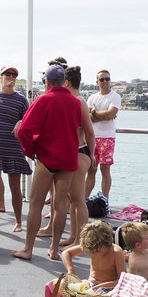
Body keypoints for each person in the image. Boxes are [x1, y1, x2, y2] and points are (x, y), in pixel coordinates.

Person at [13, 64, 85, 262]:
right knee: (60, 204)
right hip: (68, 158)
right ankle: (54, 249)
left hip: (46, 158)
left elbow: (24, 130)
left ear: (47, 81)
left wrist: (31, 150)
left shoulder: (43, 100)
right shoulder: (76, 102)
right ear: (64, 81)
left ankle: (28, 249)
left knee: (36, 204)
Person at [0, 66, 30, 231]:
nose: (11, 76)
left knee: (15, 187)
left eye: (14, 74)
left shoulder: (21, 100)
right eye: (7, 74)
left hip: (13, 148)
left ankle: (18, 222)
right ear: (0, 77)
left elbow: (30, 121)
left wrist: (21, 121)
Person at [61, 65, 95, 246]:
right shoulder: (71, 100)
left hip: (79, 151)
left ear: (66, 82)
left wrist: (92, 154)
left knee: (77, 199)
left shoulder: (79, 101)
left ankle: (81, 240)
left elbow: (89, 132)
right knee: (71, 198)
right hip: (72, 152)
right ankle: (73, 236)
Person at [85, 69, 120, 201]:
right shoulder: (92, 97)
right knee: (91, 170)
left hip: (107, 137)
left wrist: (94, 113)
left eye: (107, 79)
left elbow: (111, 114)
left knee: (105, 170)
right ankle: (84, 200)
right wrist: (102, 115)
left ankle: (105, 200)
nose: (105, 82)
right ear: (97, 82)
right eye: (102, 79)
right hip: (92, 137)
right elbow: (87, 118)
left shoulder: (115, 96)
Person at [59, 221, 125, 289]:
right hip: (90, 283)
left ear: (106, 244)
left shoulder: (116, 252)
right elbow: (66, 253)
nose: (95, 254)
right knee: (59, 287)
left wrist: (101, 286)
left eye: (98, 251)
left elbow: (123, 280)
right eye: (92, 251)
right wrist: (71, 271)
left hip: (108, 287)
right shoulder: (92, 246)